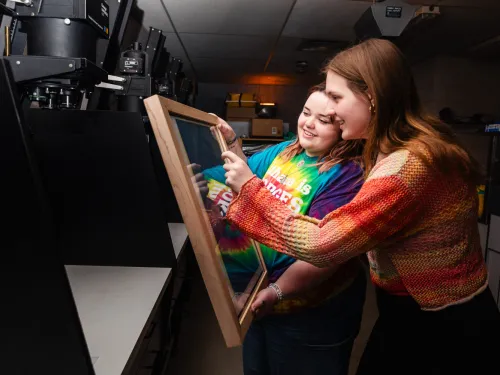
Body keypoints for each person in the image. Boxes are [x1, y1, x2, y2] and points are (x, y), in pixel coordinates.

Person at [222, 39, 500, 375]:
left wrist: (250, 193)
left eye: (337, 98)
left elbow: (323, 245)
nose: (332, 112)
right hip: (408, 307)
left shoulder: (410, 166)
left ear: (372, 96)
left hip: (445, 320)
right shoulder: (387, 148)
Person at [203, 84, 366, 375]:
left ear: (344, 127)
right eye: (306, 112)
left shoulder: (349, 176)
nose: (309, 124)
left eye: (324, 120)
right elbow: (247, 175)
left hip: (309, 316)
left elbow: (325, 253)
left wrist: (277, 291)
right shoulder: (289, 149)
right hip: (260, 298)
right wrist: (231, 144)